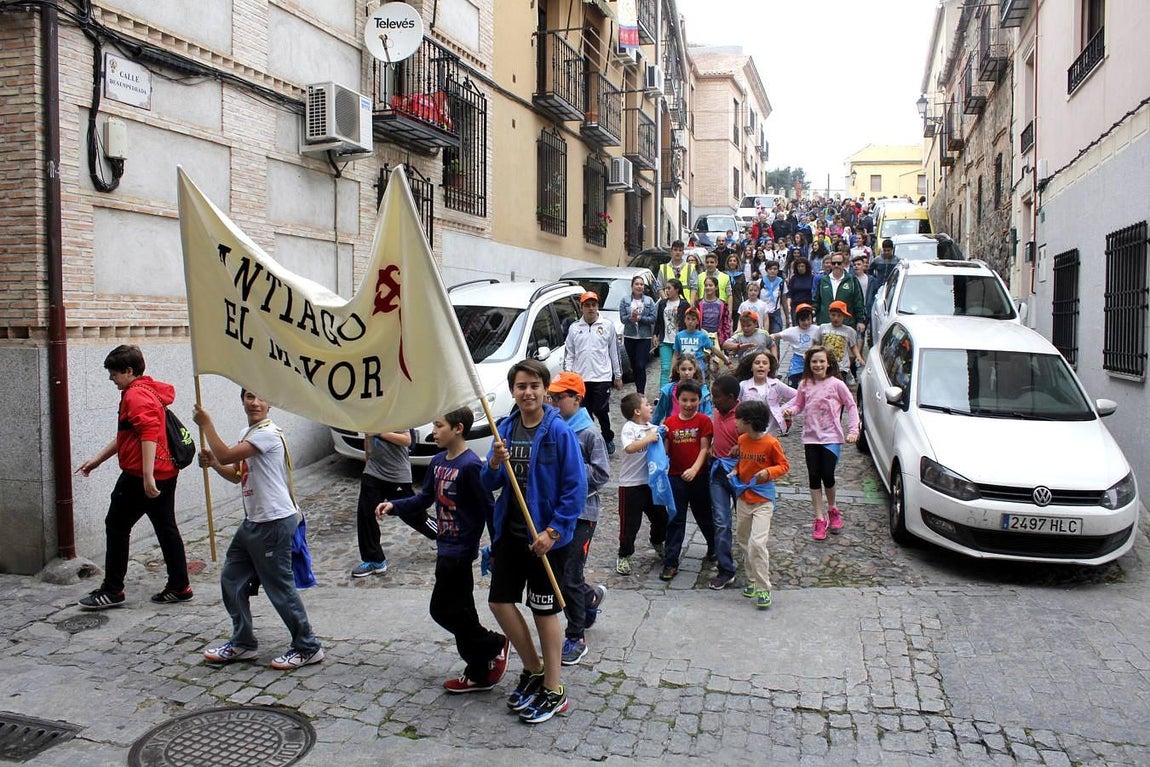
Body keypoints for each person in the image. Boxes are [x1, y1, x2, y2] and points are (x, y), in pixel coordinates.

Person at [481, 359, 586, 724]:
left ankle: (554, 689)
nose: (527, 392)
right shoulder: (505, 430)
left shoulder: (558, 432)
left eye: (534, 386)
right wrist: (493, 462)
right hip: (510, 535)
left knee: (544, 611)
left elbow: (576, 488)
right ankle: (533, 667)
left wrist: (553, 531)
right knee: (499, 602)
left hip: (546, 540)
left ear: (546, 391)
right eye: (521, 386)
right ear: (513, 391)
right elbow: (488, 484)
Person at [376, 407, 508, 694]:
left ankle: (493, 645)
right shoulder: (437, 462)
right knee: (461, 613)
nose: (433, 432)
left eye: (438, 426)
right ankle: (478, 669)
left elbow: (489, 509)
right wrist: (394, 506)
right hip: (444, 546)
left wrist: (496, 547)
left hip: (461, 551)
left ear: (458, 428)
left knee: (444, 610)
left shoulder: (471, 465)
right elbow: (423, 499)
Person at [197, 389, 324, 670]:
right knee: (231, 579)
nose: (254, 403)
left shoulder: (268, 434)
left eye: (261, 397)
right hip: (253, 520)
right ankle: (243, 643)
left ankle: (308, 646)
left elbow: (227, 452)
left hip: (274, 521)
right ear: (241, 400)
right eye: (249, 397)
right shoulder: (249, 431)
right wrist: (215, 464)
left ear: (271, 403)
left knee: (279, 587)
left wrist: (207, 425)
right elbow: (236, 474)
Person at [76, 344, 191, 610]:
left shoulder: (134, 396)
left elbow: (149, 433)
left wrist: (147, 477)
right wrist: (97, 460)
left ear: (129, 371)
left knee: (116, 525)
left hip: (141, 475)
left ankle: (113, 589)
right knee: (166, 527)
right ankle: (180, 586)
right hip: (164, 472)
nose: (111, 379)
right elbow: (128, 435)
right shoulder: (148, 389)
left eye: (114, 374)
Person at [545, 373, 610, 667]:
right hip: (555, 514)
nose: (555, 402)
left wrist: (569, 468)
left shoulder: (588, 433)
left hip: (582, 514)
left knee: (569, 575)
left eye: (560, 397)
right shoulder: (551, 428)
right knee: (559, 574)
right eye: (553, 397)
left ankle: (575, 635)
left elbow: (601, 474)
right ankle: (589, 598)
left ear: (577, 399)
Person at [783, 347, 860, 541]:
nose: (817, 365)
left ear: (828, 363)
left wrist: (853, 430)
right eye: (814, 362)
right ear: (809, 364)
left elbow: (851, 406)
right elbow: (799, 405)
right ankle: (819, 517)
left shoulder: (837, 384)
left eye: (821, 361)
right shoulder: (804, 384)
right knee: (814, 477)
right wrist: (791, 411)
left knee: (828, 474)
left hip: (832, 436)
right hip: (810, 436)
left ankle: (832, 508)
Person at [352, 430, 436, 578]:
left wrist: (379, 433)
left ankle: (444, 534)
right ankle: (374, 560)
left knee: (413, 514)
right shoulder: (368, 411)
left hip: (397, 474)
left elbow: (406, 440)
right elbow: (367, 439)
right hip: (373, 472)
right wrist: (367, 464)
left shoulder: (396, 411)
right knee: (366, 515)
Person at [730, 400, 789, 609]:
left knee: (757, 543)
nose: (734, 421)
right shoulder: (743, 440)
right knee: (743, 539)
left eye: (738, 418)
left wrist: (768, 472)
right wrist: (736, 471)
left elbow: (784, 465)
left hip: (763, 501)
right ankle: (753, 580)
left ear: (749, 421)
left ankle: (764, 588)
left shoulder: (771, 443)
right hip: (744, 498)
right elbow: (743, 462)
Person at [660, 379, 715, 582]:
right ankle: (671, 561)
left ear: (700, 400)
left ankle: (714, 546)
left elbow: (704, 448)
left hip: (699, 477)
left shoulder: (704, 421)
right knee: (675, 519)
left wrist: (694, 468)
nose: (689, 404)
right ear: (678, 399)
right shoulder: (669, 424)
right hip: (675, 477)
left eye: (693, 400)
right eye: (685, 400)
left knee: (704, 515)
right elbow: (664, 451)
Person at [615, 392, 667, 576]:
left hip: (651, 484)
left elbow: (661, 440)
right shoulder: (629, 428)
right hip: (631, 485)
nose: (650, 407)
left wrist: (663, 432)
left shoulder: (653, 428)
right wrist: (648, 438)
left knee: (661, 518)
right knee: (630, 524)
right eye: (646, 404)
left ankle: (657, 540)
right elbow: (629, 448)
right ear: (637, 411)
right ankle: (624, 555)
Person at [564, 291, 622, 454]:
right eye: (587, 305)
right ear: (581, 308)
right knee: (584, 412)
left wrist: (617, 375)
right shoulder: (575, 328)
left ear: (597, 306)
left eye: (593, 305)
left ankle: (608, 436)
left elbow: (614, 352)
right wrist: (568, 376)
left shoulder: (607, 326)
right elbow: (569, 354)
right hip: (580, 379)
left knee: (601, 410)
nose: (591, 308)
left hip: (602, 376)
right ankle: (588, 442)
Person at [706, 375, 741, 591]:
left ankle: (754, 560)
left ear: (731, 398)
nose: (713, 401)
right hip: (718, 472)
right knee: (721, 521)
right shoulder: (717, 412)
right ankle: (725, 568)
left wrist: (743, 447)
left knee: (746, 522)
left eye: (717, 397)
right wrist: (711, 446)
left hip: (741, 475)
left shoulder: (744, 415)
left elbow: (759, 439)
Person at [736, 351, 796, 436]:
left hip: (770, 434)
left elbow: (798, 395)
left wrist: (783, 409)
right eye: (757, 363)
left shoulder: (776, 384)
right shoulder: (743, 385)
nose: (761, 365)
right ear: (751, 368)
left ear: (769, 368)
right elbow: (736, 406)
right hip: (748, 434)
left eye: (764, 363)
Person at [618, 275, 657, 397]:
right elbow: (622, 319)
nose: (639, 286)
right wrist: (630, 318)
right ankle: (638, 388)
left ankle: (641, 393)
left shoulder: (649, 301)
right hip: (630, 337)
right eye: (637, 284)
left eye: (641, 284)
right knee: (634, 366)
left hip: (644, 337)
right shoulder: (625, 300)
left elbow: (653, 318)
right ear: (632, 286)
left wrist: (640, 318)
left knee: (641, 365)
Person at [811, 251, 867, 334]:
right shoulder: (823, 281)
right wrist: (812, 313)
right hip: (826, 324)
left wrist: (860, 321)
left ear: (844, 264)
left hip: (846, 325)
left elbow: (858, 302)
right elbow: (816, 301)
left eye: (839, 263)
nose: (836, 265)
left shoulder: (852, 280)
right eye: (833, 263)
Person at [652, 355, 713, 425]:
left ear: (694, 370)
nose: (687, 373)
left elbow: (707, 415)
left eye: (690, 369)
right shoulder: (668, 390)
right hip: (673, 428)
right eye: (683, 369)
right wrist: (653, 429)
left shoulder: (703, 391)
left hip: (695, 428)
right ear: (678, 369)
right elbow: (659, 412)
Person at [771, 304, 822, 388]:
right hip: (798, 360)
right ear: (798, 320)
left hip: (813, 359)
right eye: (803, 320)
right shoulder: (792, 331)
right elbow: (776, 335)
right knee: (793, 382)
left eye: (808, 319)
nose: (806, 322)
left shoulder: (818, 329)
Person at [652, 278, 689, 386]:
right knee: (665, 368)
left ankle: (678, 391)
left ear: (677, 290)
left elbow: (688, 321)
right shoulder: (663, 303)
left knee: (680, 368)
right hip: (665, 340)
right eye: (666, 288)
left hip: (680, 341)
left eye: (669, 288)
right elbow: (658, 320)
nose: (666, 291)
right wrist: (655, 334)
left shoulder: (684, 304)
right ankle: (663, 394)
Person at [819, 301, 864, 386]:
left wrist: (858, 356)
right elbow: (817, 343)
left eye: (839, 316)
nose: (836, 318)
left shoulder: (849, 331)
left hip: (841, 366)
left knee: (838, 387)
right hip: (825, 364)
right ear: (829, 315)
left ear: (844, 317)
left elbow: (853, 346)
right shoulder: (823, 328)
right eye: (833, 315)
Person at [759, 260, 788, 333]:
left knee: (775, 337)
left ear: (778, 271)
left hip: (775, 313)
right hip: (762, 313)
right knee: (764, 338)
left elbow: (784, 301)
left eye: (775, 269)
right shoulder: (760, 282)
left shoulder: (781, 283)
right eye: (770, 269)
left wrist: (787, 317)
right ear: (766, 270)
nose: (772, 271)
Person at [787, 257, 815, 323]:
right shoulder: (793, 278)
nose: (800, 268)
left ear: (806, 267)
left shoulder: (812, 278)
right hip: (795, 305)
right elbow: (790, 293)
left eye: (802, 266)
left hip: (808, 304)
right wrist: (788, 306)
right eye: (798, 266)